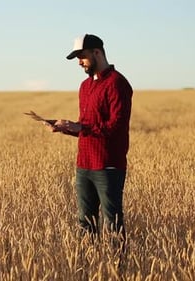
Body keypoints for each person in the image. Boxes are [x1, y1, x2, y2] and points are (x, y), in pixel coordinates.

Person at [48, 34, 133, 245]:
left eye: (82, 56)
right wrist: (66, 128)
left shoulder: (117, 84)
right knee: (85, 223)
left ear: (97, 52)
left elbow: (116, 126)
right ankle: (88, 269)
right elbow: (87, 127)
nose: (79, 62)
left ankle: (118, 271)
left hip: (108, 166)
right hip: (84, 165)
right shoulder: (85, 86)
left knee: (113, 224)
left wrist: (81, 127)